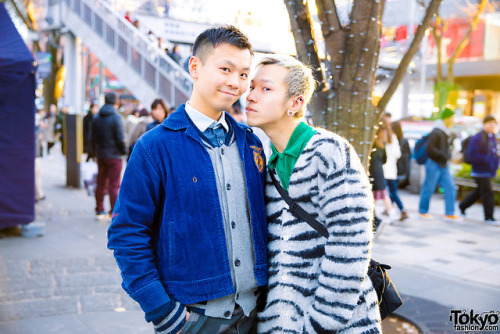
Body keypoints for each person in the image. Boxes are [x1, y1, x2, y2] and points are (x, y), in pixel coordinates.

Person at [107, 26, 268, 334]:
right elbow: (127, 234)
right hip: (193, 320)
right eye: (225, 69)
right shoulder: (154, 147)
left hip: (257, 317)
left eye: (244, 74)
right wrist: (163, 312)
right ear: (195, 67)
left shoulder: (251, 143)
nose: (236, 82)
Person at [246, 54, 381, 333]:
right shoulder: (270, 161)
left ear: (295, 103)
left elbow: (351, 245)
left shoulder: (329, 151)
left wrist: (320, 324)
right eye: (252, 87)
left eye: (265, 89)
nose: (251, 96)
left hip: (336, 324)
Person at [419, 108, 460, 220]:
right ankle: (422, 211)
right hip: (433, 163)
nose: (453, 120)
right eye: (452, 118)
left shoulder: (446, 131)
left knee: (450, 187)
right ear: (446, 118)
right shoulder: (436, 131)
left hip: (443, 165)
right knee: (429, 187)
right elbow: (430, 148)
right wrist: (443, 155)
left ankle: (449, 212)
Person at [91, 92, 126, 220]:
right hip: (114, 156)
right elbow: (120, 138)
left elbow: (92, 138)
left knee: (100, 183)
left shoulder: (96, 118)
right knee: (114, 185)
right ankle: (114, 212)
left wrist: (95, 153)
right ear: (115, 102)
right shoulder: (116, 118)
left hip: (101, 155)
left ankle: (99, 210)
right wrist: (124, 152)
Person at [459, 115, 499, 225]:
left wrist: (494, 164)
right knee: (487, 193)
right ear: (484, 124)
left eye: (494, 123)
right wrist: (486, 161)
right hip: (480, 170)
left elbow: (494, 154)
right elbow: (472, 154)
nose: (492, 125)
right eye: (490, 123)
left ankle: (462, 206)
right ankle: (489, 217)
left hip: (488, 170)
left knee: (479, 192)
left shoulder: (492, 137)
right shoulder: (477, 137)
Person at [382, 113, 407, 221]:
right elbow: (398, 154)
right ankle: (392, 210)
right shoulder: (394, 137)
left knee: (386, 193)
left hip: (384, 169)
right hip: (392, 170)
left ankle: (396, 211)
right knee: (392, 192)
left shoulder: (383, 137)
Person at [392, 120, 411, 188]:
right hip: (400, 169)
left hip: (398, 168)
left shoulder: (396, 141)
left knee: (393, 191)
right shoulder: (403, 140)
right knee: (393, 190)